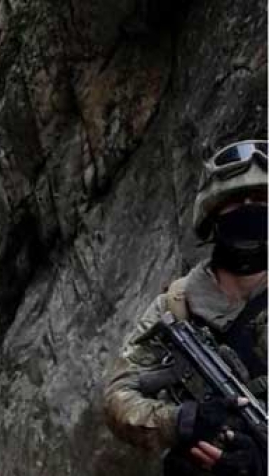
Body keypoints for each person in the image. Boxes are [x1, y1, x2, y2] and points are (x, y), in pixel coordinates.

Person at [104, 140, 268, 475]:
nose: (249, 210)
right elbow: (118, 396)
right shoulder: (176, 305)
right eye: (236, 201)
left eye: (261, 201)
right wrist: (180, 421)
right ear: (212, 213)